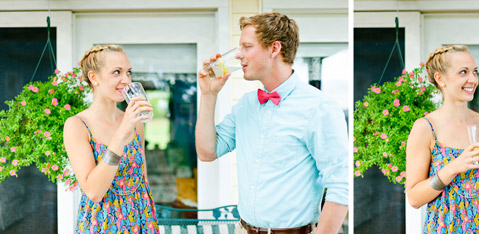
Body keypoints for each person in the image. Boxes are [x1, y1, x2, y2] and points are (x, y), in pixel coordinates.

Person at [194, 12, 348, 234]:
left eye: (247, 47)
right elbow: (207, 152)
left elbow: (341, 186)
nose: (238, 55)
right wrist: (209, 95)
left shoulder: (319, 108)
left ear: (274, 49)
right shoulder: (246, 105)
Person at [405, 45, 479, 234]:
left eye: (474, 72)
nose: (473, 79)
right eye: (463, 72)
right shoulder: (425, 128)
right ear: (440, 79)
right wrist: (453, 168)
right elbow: (414, 198)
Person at [64, 45, 159, 233]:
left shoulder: (135, 122)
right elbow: (94, 192)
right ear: (94, 78)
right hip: (103, 223)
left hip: (140, 219)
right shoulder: (77, 125)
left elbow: (142, 179)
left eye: (129, 72)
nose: (127, 80)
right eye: (117, 72)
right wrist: (122, 134)